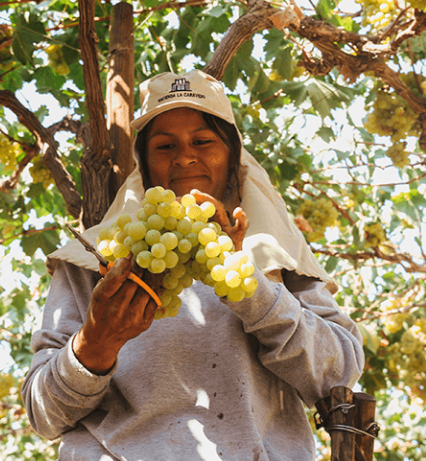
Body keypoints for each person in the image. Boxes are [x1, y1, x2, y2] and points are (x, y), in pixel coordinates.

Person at [21, 70, 364, 461]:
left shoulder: (277, 251)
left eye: (202, 141)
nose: (184, 157)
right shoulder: (92, 260)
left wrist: (250, 289)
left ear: (233, 156)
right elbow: (43, 416)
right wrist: (96, 343)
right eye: (165, 146)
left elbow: (338, 375)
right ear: (144, 164)